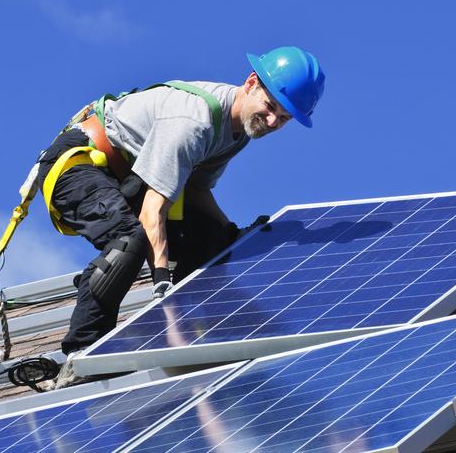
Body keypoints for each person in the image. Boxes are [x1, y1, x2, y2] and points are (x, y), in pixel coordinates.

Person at [36, 46, 325, 388]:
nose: (274, 120)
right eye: (271, 106)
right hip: (76, 164)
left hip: (126, 179)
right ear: (251, 83)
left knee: (214, 242)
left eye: (285, 117)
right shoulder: (195, 121)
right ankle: (82, 355)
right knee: (130, 240)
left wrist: (231, 234)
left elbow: (197, 192)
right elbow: (151, 211)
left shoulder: (237, 133)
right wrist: (161, 282)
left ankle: (202, 330)